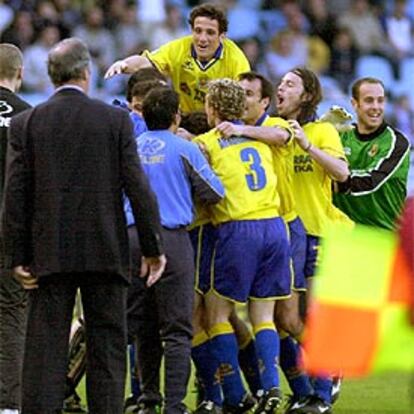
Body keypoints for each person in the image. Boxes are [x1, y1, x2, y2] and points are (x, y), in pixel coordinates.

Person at [0, 37, 166, 414]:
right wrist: (153, 247)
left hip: (49, 252)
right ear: (87, 74)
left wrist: (17, 257)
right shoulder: (114, 120)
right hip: (105, 250)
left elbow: (15, 196)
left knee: (44, 347)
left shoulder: (28, 123)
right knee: (107, 345)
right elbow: (137, 186)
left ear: (50, 75)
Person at [195, 78, 292, 413]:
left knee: (217, 313)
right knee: (263, 314)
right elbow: (281, 137)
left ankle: (235, 396)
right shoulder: (261, 141)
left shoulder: (206, 143)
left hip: (238, 229)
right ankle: (271, 388)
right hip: (275, 227)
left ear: (212, 108)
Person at [126, 86, 224, 414]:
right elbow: (214, 192)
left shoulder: (129, 147)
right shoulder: (185, 149)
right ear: (175, 116)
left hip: (132, 239)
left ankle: (146, 398)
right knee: (177, 329)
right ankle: (174, 405)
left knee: (142, 325)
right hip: (171, 239)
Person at [275, 67, 353, 414]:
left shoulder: (322, 130)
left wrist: (310, 146)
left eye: (289, 84)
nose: (281, 87)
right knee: (284, 320)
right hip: (281, 234)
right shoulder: (275, 131)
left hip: (317, 232)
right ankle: (308, 386)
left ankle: (321, 395)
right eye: (280, 83)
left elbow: (341, 173)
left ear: (306, 96)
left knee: (313, 315)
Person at [104, 3, 250, 113]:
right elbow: (147, 62)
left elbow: (243, 100)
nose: (202, 38)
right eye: (198, 31)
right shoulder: (179, 48)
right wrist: (124, 63)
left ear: (222, 36)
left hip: (219, 122)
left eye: (210, 33)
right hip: (184, 119)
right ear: (191, 30)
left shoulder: (236, 59)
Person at [333, 77, 411, 231]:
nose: (376, 107)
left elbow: (370, 181)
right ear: (354, 104)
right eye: (369, 100)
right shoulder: (339, 136)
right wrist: (320, 130)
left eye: (380, 101)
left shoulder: (397, 143)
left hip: (382, 234)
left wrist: (333, 183)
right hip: (342, 235)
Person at [0, 43, 31, 414]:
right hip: (11, 229)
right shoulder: (29, 117)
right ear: (20, 74)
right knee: (10, 311)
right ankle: (8, 404)